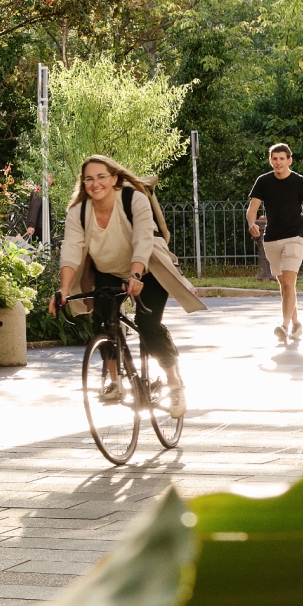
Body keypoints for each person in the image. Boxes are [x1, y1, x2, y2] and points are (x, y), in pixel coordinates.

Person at [53, 154, 205, 417]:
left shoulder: (134, 199)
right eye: (89, 178)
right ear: (83, 183)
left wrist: (136, 276)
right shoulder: (78, 213)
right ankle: (116, 382)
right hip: (109, 271)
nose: (95, 183)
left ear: (114, 179)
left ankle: (174, 381)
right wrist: (64, 290)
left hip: (149, 268)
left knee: (148, 324)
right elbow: (70, 252)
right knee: (102, 322)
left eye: (101, 177)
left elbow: (143, 240)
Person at [247, 143, 303, 342]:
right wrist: (251, 223)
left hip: (294, 238)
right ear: (270, 160)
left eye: (282, 158)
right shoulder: (263, 181)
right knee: (284, 285)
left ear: (289, 160)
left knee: (289, 283)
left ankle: (284, 326)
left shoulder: (300, 182)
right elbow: (252, 208)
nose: (278, 162)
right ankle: (297, 324)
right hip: (271, 239)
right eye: (275, 158)